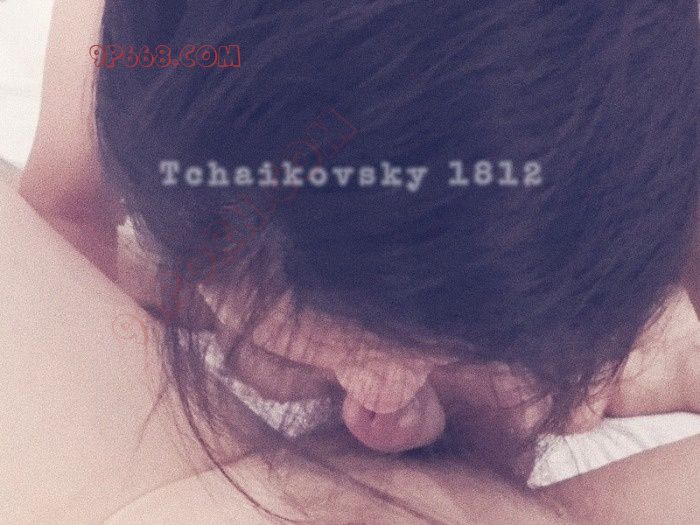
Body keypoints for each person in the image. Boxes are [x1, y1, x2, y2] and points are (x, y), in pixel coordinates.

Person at [5, 0, 699, 522]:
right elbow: (67, 217)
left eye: (440, 359)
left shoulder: (658, 108)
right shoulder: (141, 50)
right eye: (289, 348)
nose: (374, 412)